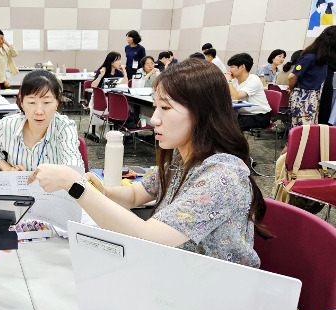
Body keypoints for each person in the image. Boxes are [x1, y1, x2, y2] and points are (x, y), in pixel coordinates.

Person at [27, 58, 268, 268]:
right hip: (178, 272)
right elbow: (134, 195)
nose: (154, 119)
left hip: (218, 292)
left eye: (165, 107)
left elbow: (148, 237)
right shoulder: (181, 157)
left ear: (202, 113)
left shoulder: (222, 177)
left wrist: (75, 186)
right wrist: (100, 190)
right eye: (155, 106)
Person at [0, 69, 83, 171]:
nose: (39, 111)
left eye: (47, 102)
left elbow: (74, 164)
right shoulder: (8, 125)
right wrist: (7, 168)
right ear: (22, 103)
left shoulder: (64, 127)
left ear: (57, 102)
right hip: (17, 186)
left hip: (53, 186)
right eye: (31, 102)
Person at [288, 26, 336, 126]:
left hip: (314, 95)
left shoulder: (323, 60)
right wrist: (293, 89)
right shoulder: (310, 57)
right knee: (302, 127)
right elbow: (292, 77)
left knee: (310, 127)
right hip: (302, 95)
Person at [225, 53, 271, 131]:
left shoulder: (254, 80)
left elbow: (235, 96)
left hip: (258, 116)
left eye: (232, 67)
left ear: (242, 67)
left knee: (230, 127)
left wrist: (228, 80)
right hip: (242, 114)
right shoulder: (235, 80)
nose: (229, 70)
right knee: (220, 123)